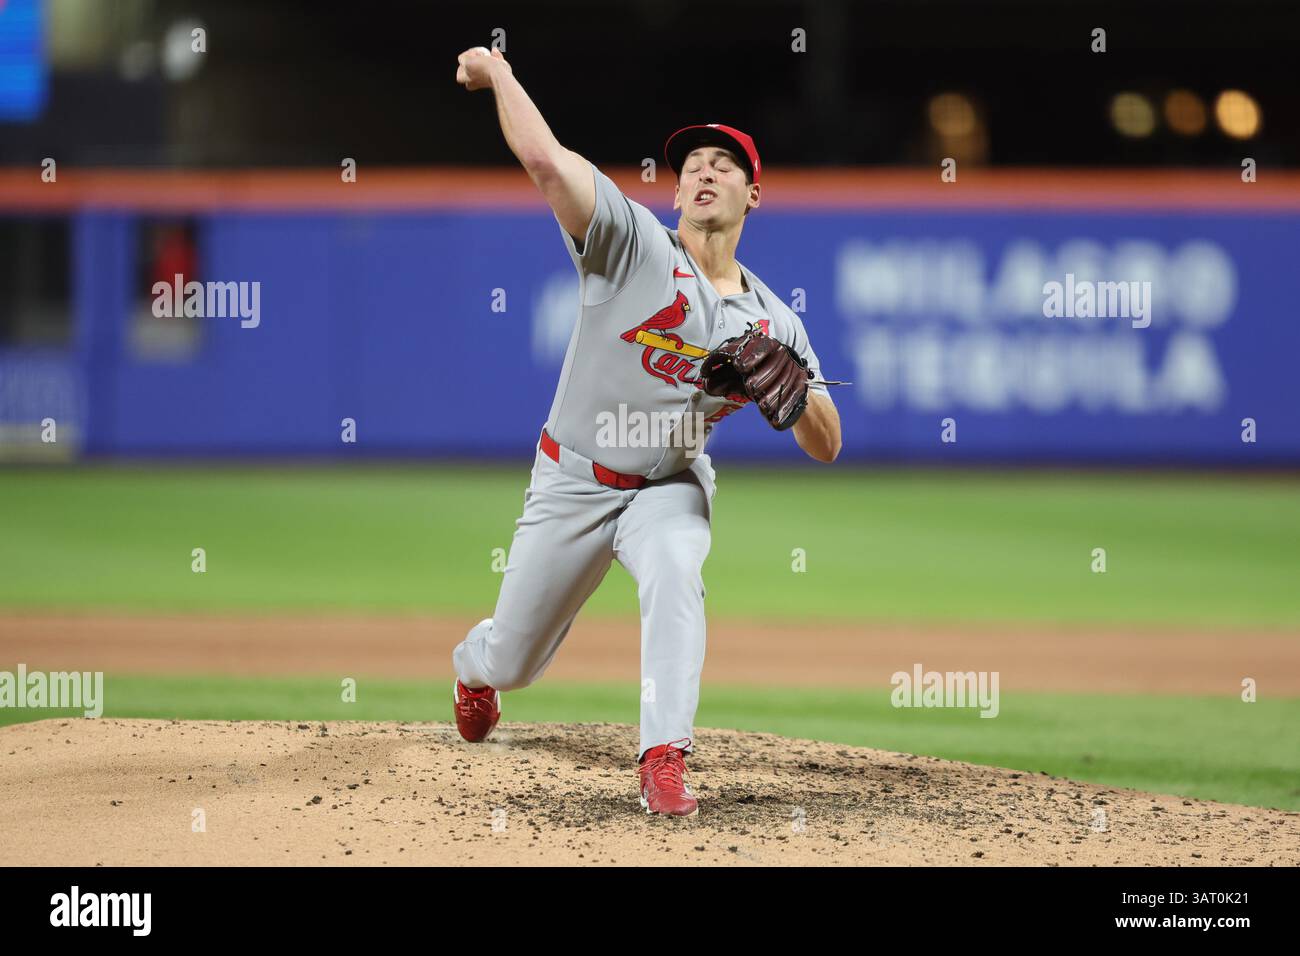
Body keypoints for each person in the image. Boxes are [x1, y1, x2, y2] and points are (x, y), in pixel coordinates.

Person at [450, 45, 842, 816]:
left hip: (668, 483)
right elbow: (543, 159)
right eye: (692, 161)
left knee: (674, 569)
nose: (703, 171)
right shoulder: (630, 245)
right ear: (675, 189)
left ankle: (664, 756)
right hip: (572, 478)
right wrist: (498, 71)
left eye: (723, 164)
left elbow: (826, 442)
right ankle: (474, 670)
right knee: (513, 659)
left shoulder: (774, 320)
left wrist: (795, 399)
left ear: (753, 194)